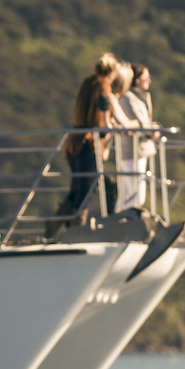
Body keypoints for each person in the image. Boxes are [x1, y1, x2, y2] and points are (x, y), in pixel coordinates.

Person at [49, 53, 121, 237]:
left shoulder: (87, 82)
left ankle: (53, 226)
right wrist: (111, 127)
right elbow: (102, 114)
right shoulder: (103, 85)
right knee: (87, 189)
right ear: (112, 72)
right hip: (88, 142)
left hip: (74, 140)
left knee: (78, 187)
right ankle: (76, 230)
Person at [112, 62, 158, 212]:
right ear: (137, 80)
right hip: (133, 150)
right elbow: (138, 122)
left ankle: (119, 222)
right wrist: (151, 130)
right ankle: (121, 223)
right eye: (146, 77)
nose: (149, 80)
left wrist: (151, 127)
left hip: (137, 150)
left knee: (130, 193)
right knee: (134, 194)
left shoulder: (137, 97)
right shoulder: (129, 98)